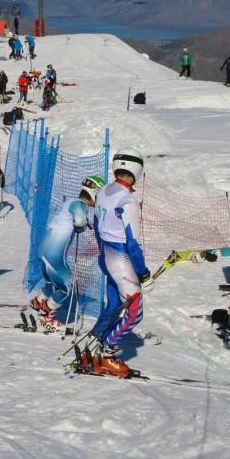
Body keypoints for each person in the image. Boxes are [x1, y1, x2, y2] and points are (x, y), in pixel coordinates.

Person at [83, 149, 151, 377]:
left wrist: (105, 253)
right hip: (120, 258)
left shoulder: (103, 190)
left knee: (113, 307)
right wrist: (143, 272)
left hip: (106, 255)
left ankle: (91, 348)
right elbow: (132, 244)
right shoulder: (127, 201)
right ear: (137, 170)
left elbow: (96, 223)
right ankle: (107, 355)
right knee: (134, 312)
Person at [30, 176, 103, 331]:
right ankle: (45, 318)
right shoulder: (80, 204)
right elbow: (79, 222)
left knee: (51, 284)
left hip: (43, 251)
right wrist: (83, 225)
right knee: (67, 287)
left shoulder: (70, 201)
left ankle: (36, 306)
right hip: (53, 255)